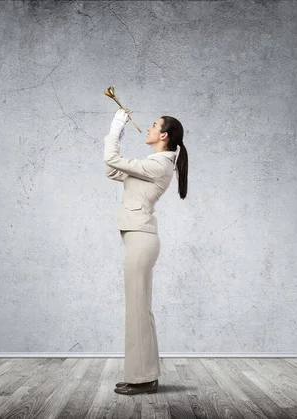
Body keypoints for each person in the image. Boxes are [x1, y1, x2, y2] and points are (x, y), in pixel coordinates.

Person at [103, 108, 189, 395]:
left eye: (154, 126)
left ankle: (141, 379)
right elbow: (111, 169)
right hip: (138, 237)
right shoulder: (153, 162)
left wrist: (116, 129)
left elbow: (112, 158)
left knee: (137, 310)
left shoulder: (160, 164)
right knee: (140, 309)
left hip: (141, 239)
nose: (149, 128)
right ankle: (144, 375)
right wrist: (119, 136)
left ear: (163, 135)